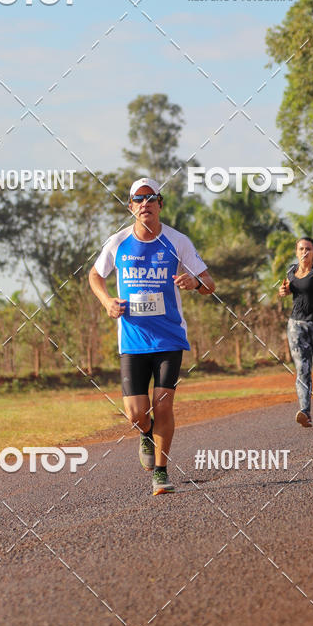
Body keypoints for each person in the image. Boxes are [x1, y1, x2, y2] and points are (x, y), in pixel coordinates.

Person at [89, 177, 215, 495]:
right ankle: (145, 433)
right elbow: (95, 275)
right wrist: (107, 302)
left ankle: (161, 472)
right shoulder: (118, 242)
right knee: (136, 414)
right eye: (138, 199)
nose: (144, 203)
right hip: (132, 340)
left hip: (169, 338)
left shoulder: (177, 241)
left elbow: (209, 283)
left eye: (151, 198)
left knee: (162, 405)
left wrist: (194, 283)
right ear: (131, 206)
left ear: (160, 204)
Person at [278, 236, 313, 428]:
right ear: (296, 251)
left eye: (308, 249)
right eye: (301, 249)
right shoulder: (291, 271)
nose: (304, 252)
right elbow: (288, 290)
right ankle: (305, 412)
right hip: (297, 326)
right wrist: (283, 291)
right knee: (302, 369)